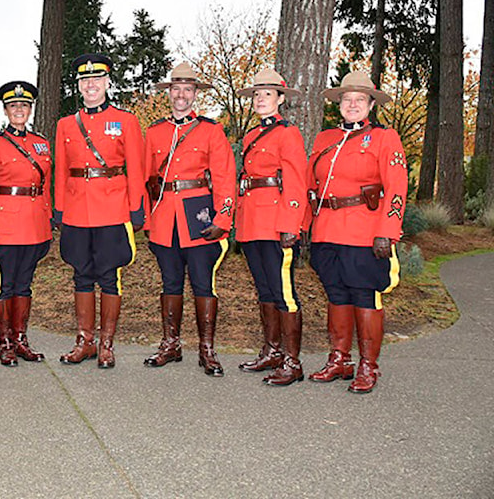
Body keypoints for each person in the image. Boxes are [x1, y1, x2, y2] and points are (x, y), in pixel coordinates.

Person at [305, 70, 406, 394]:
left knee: (364, 295)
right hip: (327, 229)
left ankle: (368, 366)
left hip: (365, 229)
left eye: (359, 99)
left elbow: (396, 188)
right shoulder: (324, 139)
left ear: (370, 104)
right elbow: (310, 185)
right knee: (335, 294)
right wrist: (304, 225)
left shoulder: (384, 138)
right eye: (347, 99)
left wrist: (387, 231)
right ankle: (339, 359)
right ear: (339, 105)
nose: (352, 104)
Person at [142, 62, 236, 377]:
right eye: (176, 89)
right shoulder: (154, 132)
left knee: (202, 283)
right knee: (170, 282)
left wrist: (223, 217)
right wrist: (145, 218)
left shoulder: (211, 130)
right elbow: (145, 179)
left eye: (187, 89)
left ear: (195, 94)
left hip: (199, 218)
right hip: (164, 218)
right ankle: (171, 344)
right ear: (169, 93)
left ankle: (206, 350)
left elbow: (225, 178)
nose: (181, 95)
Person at [54, 53, 146, 368]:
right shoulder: (65, 125)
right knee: (81, 274)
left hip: (113, 207)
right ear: (78, 86)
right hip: (77, 209)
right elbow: (61, 170)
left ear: (107, 82)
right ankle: (85, 342)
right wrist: (59, 208)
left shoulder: (126, 121)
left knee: (109, 276)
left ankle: (107, 344)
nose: (91, 85)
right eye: (85, 80)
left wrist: (137, 208)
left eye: (97, 79)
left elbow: (136, 167)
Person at [233, 70, 308, 386]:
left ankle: (293, 361)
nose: (261, 98)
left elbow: (296, 180)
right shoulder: (251, 135)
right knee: (264, 289)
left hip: (277, 222)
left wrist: (292, 224)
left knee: (283, 292)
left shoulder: (287, 133)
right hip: (252, 221)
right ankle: (272, 351)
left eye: (268, 93)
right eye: (257, 94)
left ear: (280, 99)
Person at [0, 81, 52, 366]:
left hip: (34, 225)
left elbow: (44, 185)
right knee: (5, 286)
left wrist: (47, 219)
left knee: (25, 285)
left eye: (24, 105)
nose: (19, 110)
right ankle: (5, 342)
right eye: (13, 106)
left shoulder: (41, 143)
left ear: (30, 109)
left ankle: (21, 340)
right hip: (5, 226)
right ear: (6, 110)